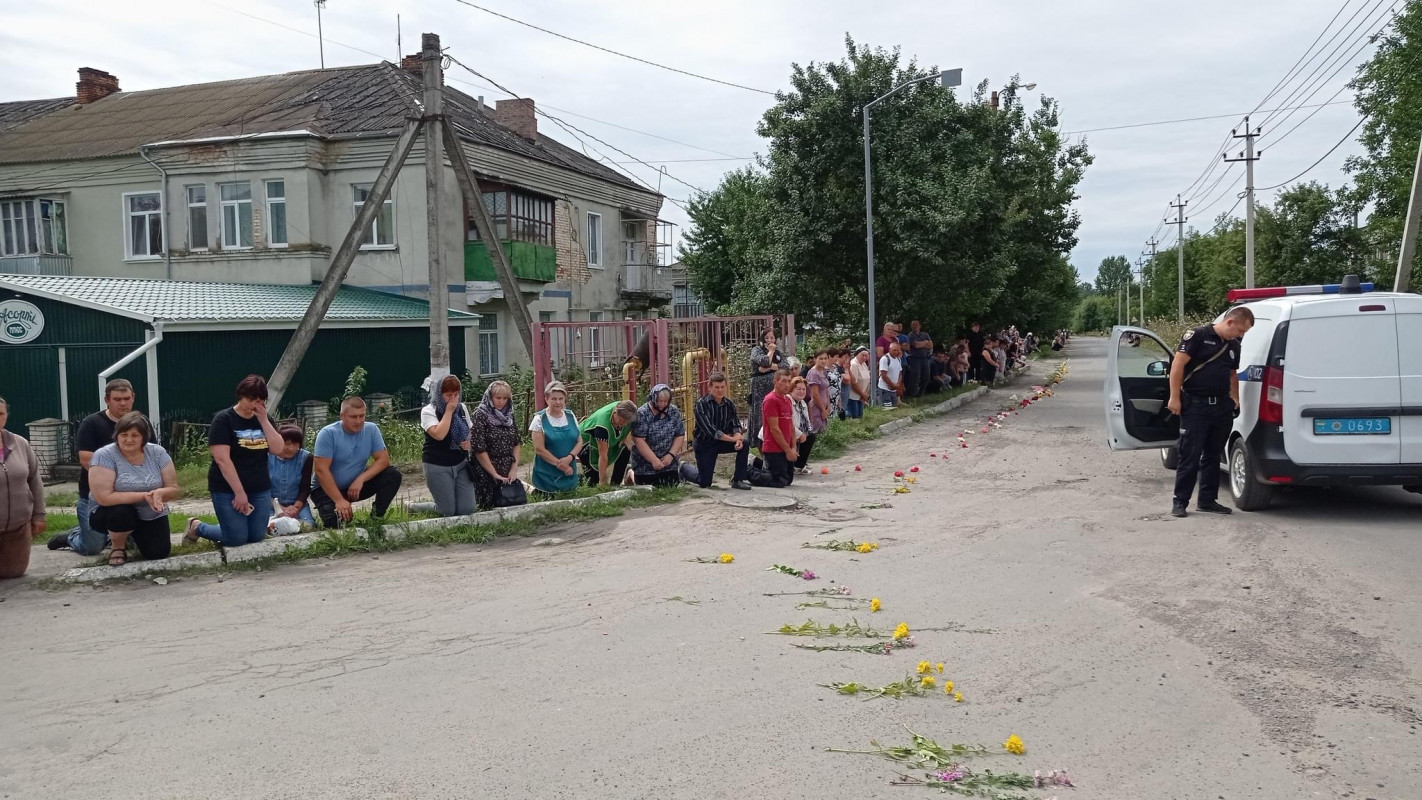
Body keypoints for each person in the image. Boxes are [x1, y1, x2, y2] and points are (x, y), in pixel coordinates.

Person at [1168, 306, 1255, 518]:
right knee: (1190, 455)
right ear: (1230, 322)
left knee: (1213, 455)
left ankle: (1207, 500)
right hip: (1196, 405)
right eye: (1241, 330)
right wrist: (1174, 397)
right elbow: (1177, 365)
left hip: (1221, 407)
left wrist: (1235, 398)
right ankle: (1180, 502)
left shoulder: (1234, 345)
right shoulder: (1198, 335)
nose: (1241, 335)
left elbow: (1232, 373)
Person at [184, 375, 284, 548]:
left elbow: (277, 449)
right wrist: (239, 492)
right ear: (241, 396)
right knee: (236, 538)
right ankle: (197, 526)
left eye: (260, 401)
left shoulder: (263, 419)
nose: (255, 404)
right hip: (227, 488)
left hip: (259, 486)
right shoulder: (224, 419)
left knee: (256, 536)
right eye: (251, 399)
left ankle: (230, 527)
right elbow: (222, 460)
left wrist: (264, 420)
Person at [50, 379, 135, 554]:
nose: (123, 403)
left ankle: (117, 535)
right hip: (93, 497)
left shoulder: (141, 423)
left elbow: (152, 455)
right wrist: (119, 479)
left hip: (131, 495)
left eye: (126, 398)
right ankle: (72, 536)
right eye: (117, 399)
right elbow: (86, 459)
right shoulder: (92, 423)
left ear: (133, 397)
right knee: (92, 548)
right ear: (107, 400)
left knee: (143, 547)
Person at [89, 412, 179, 566]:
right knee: (122, 513)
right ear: (116, 435)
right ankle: (118, 546)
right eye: (124, 434)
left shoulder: (158, 453)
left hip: (150, 511)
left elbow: (174, 488)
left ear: (144, 437)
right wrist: (144, 496)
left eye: (135, 435)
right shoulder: (104, 455)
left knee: (158, 553)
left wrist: (160, 493)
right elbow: (104, 497)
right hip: (111, 510)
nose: (129, 440)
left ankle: (133, 536)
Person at [308, 396, 403, 527]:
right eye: (353, 417)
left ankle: (376, 519)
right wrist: (339, 500)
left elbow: (383, 460)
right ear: (342, 416)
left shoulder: (371, 429)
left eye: (362, 416)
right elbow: (321, 470)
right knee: (336, 524)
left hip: (354, 486)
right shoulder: (328, 434)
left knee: (393, 475)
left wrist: (361, 479)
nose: (358, 421)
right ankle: (339, 510)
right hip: (325, 489)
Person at [0, 397, 46, 579]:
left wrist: (39, 515)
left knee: (14, 573)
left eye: (0, 413)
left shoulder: (19, 443)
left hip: (18, 525)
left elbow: (35, 480)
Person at [418, 374, 475, 517]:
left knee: (466, 509)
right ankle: (414, 507)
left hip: (460, 463)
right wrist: (449, 411)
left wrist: (469, 443)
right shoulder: (428, 411)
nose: (453, 399)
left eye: (456, 394)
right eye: (448, 395)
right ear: (439, 394)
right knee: (447, 511)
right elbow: (439, 434)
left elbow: (470, 431)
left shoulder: (462, 408)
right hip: (437, 464)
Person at [692, 372, 750, 490]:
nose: (720, 390)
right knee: (705, 482)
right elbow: (711, 431)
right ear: (710, 387)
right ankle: (683, 468)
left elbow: (735, 424)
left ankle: (738, 479)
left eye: (722, 387)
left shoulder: (729, 404)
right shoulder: (701, 404)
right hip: (705, 443)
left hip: (722, 441)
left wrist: (738, 438)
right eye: (716, 387)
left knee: (745, 443)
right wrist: (733, 439)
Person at [470, 381, 522, 510]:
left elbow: (517, 442)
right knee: (487, 506)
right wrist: (494, 474)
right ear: (490, 398)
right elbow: (479, 449)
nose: (501, 402)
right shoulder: (479, 415)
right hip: (485, 470)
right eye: (498, 398)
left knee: (510, 504)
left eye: (505, 398)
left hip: (507, 467)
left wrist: (513, 469)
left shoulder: (509, 416)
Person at [530, 381, 582, 496]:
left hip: (569, 475)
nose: (558, 402)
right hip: (546, 478)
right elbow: (539, 449)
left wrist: (569, 458)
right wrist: (561, 464)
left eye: (561, 399)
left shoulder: (570, 415)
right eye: (554, 399)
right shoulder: (539, 419)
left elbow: (579, 441)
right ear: (546, 399)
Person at [630, 384, 686, 487]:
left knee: (670, 486)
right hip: (645, 463)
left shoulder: (673, 411)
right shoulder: (642, 414)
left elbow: (680, 434)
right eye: (660, 401)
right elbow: (639, 440)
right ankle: (630, 474)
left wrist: (670, 455)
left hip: (668, 462)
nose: (663, 404)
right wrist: (654, 460)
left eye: (665, 401)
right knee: (647, 489)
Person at [580, 400, 637, 487]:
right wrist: (603, 482)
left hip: (608, 441)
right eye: (621, 421)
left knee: (625, 449)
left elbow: (624, 431)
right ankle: (573, 483)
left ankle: (615, 484)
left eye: (626, 422)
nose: (623, 424)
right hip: (586, 443)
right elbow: (603, 456)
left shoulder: (626, 410)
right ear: (615, 412)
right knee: (592, 483)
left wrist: (624, 439)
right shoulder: (602, 426)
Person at [268, 424, 316, 528]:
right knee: (269, 526)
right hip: (271, 505)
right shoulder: (267, 457)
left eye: (295, 444)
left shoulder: (306, 457)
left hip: (297, 504)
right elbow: (262, 489)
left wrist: (295, 508)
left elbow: (305, 488)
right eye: (287, 443)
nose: (291, 448)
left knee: (308, 526)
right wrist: (280, 509)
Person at [760, 368, 798, 487]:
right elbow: (774, 429)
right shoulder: (770, 400)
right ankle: (748, 472)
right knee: (780, 481)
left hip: (786, 445)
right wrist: (787, 450)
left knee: (788, 480)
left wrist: (793, 447)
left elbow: (791, 425)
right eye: (784, 381)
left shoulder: (787, 399)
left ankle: (759, 464)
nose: (787, 385)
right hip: (774, 447)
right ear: (775, 382)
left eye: (789, 381)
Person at [747, 329, 783, 452]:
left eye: (772, 338)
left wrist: (769, 368)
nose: (769, 340)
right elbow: (765, 361)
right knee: (760, 418)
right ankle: (761, 449)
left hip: (775, 389)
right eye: (766, 338)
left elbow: (786, 366)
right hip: (759, 390)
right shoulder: (756, 350)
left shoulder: (780, 352)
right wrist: (771, 351)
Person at [790, 377, 816, 474]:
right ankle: (753, 461)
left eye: (804, 389)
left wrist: (808, 432)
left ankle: (799, 466)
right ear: (791, 389)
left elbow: (807, 421)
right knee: (780, 467)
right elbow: (788, 424)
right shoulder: (788, 401)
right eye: (798, 389)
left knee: (811, 436)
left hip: (796, 433)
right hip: (785, 434)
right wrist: (800, 434)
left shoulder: (803, 403)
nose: (802, 392)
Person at [806, 350, 832, 434]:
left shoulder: (824, 371)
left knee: (824, 431)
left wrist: (828, 406)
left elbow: (826, 390)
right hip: (816, 407)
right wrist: (823, 409)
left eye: (825, 358)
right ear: (815, 359)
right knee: (817, 431)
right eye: (821, 359)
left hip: (825, 405)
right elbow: (815, 394)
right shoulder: (813, 373)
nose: (823, 361)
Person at [906, 320, 933, 398]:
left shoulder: (925, 334)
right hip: (915, 358)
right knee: (915, 376)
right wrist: (925, 342)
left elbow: (930, 345)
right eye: (913, 325)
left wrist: (921, 344)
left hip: (925, 358)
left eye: (916, 324)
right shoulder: (910, 335)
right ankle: (913, 394)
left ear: (920, 326)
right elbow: (916, 345)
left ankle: (921, 392)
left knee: (926, 376)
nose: (914, 326)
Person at [878, 341, 905, 407]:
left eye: (897, 350)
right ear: (889, 349)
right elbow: (884, 375)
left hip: (894, 389)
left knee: (893, 407)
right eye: (894, 350)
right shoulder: (885, 359)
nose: (896, 352)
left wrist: (898, 384)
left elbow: (900, 373)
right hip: (885, 388)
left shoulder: (898, 359)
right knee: (887, 408)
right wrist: (892, 384)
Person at [847, 347, 871, 419]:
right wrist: (863, 394)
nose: (864, 357)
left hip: (861, 396)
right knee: (855, 417)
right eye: (862, 355)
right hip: (854, 396)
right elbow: (854, 383)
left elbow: (867, 379)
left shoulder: (864, 364)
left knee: (861, 417)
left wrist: (865, 394)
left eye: (866, 356)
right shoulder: (854, 364)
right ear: (857, 354)